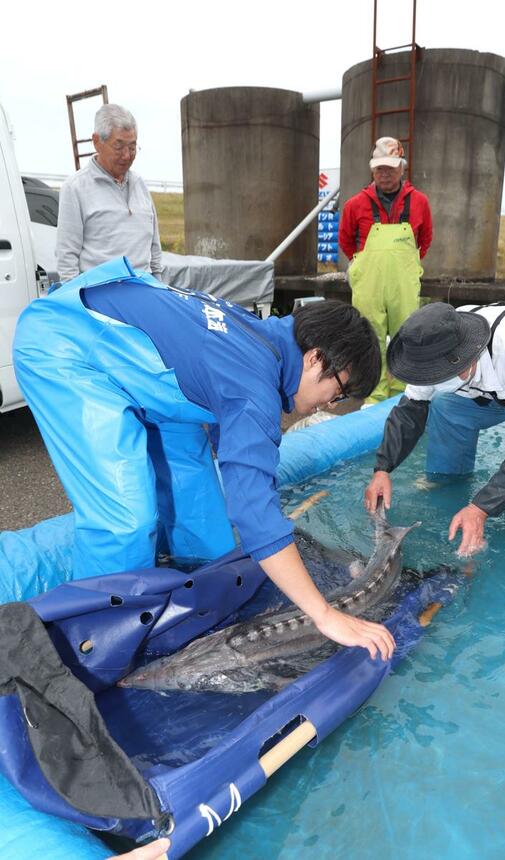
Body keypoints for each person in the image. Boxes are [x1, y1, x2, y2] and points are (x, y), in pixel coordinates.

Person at [14, 257, 395, 661]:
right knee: (127, 519)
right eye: (338, 394)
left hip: (136, 358)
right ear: (316, 358)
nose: (331, 405)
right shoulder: (254, 386)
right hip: (67, 346)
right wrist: (323, 613)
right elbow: (253, 510)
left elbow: (231, 430)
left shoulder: (265, 339)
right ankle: (91, 646)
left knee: (201, 508)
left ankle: (194, 600)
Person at [364, 301, 505, 556]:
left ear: (465, 361)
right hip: (500, 391)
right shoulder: (433, 342)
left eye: (439, 375)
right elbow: (411, 408)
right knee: (445, 405)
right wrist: (383, 468)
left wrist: (480, 508)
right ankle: (448, 478)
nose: (432, 380)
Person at [338, 136, 433, 403]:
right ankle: (375, 393)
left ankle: (403, 391)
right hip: (368, 282)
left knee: (406, 334)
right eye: (379, 168)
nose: (385, 173)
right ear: (372, 169)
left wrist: (408, 263)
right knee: (371, 336)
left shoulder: (420, 202)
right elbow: (346, 240)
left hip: (403, 282)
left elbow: (425, 239)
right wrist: (361, 265)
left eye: (390, 167)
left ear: (402, 167)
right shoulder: (355, 204)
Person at [56, 104, 163, 282]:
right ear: (97, 142)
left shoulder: (140, 185)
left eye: (132, 147)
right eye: (119, 146)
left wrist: (159, 285)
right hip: (100, 295)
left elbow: (154, 247)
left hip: (145, 290)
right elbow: (67, 258)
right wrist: (77, 302)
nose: (127, 155)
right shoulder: (75, 188)